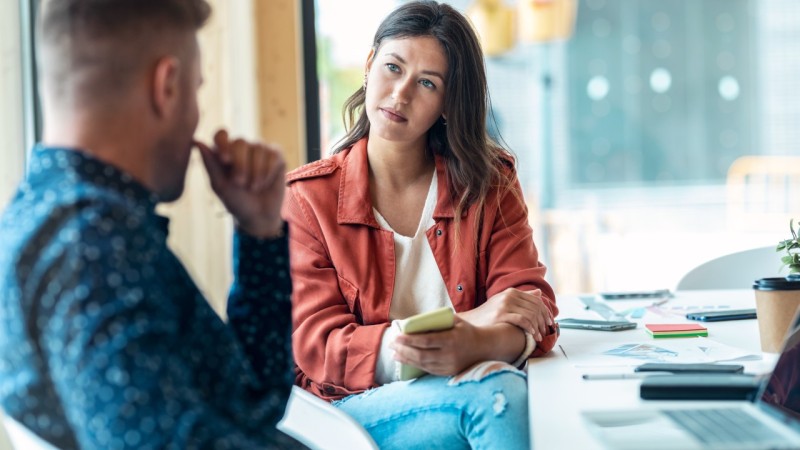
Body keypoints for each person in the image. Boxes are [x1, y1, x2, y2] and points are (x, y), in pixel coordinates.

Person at [0, 1, 300, 448]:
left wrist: (258, 232)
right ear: (167, 86)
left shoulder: (55, 219)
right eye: (196, 90)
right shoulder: (94, 250)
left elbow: (251, 402)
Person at [282, 1, 558, 448]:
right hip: (346, 413)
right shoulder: (306, 199)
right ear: (370, 66)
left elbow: (532, 309)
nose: (401, 93)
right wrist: (468, 326)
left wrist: (472, 345)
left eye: (427, 83)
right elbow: (319, 347)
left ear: (448, 104)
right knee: (497, 396)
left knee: (523, 400)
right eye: (393, 67)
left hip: (465, 390)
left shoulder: (490, 183)